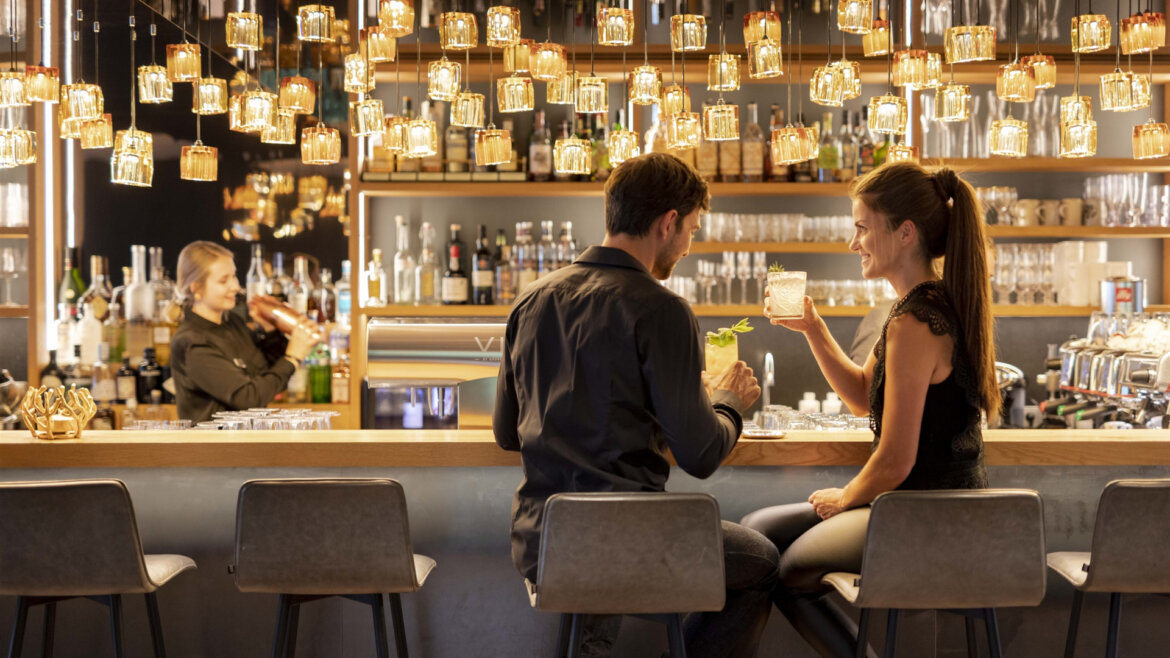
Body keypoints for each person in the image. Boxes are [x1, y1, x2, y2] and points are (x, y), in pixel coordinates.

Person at [493, 152, 781, 658]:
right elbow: (701, 455)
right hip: (630, 542)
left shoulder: (531, 299)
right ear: (667, 223)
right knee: (762, 562)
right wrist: (729, 403)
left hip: (545, 542)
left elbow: (506, 433)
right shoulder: (662, 308)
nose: (689, 245)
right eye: (691, 229)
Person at [741, 162, 1000, 658]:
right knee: (757, 534)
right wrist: (813, 328)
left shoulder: (915, 322)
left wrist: (846, 496)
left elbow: (896, 459)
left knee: (780, 566)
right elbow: (862, 396)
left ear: (905, 233)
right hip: (925, 508)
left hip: (924, 515)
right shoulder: (915, 309)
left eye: (861, 227)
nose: (852, 242)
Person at [170, 241, 316, 423]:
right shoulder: (191, 342)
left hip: (247, 444)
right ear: (196, 289)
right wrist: (292, 357)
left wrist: (270, 331)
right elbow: (248, 398)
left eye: (234, 276)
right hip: (213, 448)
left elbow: (270, 378)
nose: (235, 286)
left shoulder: (233, 323)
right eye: (224, 281)